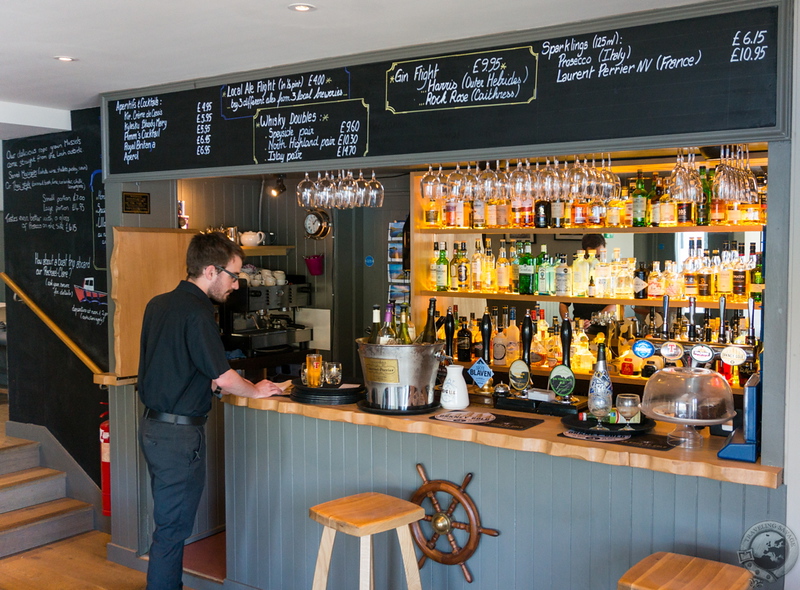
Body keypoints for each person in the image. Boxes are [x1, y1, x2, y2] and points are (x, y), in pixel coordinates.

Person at [138, 231, 282, 590]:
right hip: (179, 436)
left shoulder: (158, 304)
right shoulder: (197, 313)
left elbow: (170, 366)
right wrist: (255, 391)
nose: (236, 285)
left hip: (154, 429)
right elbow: (225, 376)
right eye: (233, 275)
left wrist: (209, 383)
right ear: (210, 270)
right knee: (172, 530)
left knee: (169, 524)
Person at [559, 234, 617, 331]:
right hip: (579, 326)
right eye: (592, 256)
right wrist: (566, 319)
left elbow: (614, 304)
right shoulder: (575, 271)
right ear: (583, 252)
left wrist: (593, 320)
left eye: (598, 256)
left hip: (605, 327)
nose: (595, 260)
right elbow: (563, 303)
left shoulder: (610, 271)